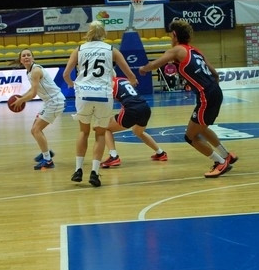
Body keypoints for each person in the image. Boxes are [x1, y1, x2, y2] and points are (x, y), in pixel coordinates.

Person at [138, 18, 238, 178]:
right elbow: (215, 74)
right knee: (202, 127)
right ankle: (227, 155)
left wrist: (143, 69)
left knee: (190, 136)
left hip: (206, 95)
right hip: (215, 91)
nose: (171, 39)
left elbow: (156, 64)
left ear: (175, 34)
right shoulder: (195, 51)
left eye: (171, 36)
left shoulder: (177, 50)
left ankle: (220, 163)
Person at [63, 20, 137, 187]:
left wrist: (71, 84)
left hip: (84, 95)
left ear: (88, 33)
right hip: (103, 95)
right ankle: (95, 172)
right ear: (104, 33)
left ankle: (78, 169)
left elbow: (66, 74)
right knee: (100, 133)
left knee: (83, 131)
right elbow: (128, 72)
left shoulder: (79, 49)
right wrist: (132, 80)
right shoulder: (111, 50)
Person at [9, 48, 66, 170]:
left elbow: (33, 94)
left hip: (55, 102)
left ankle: (48, 160)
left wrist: (21, 100)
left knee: (36, 130)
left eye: (28, 55)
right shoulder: (29, 71)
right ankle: (46, 152)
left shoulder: (36, 70)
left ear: (33, 58)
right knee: (34, 130)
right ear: (21, 60)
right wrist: (21, 96)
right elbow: (31, 90)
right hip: (49, 102)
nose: (26, 57)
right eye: (23, 55)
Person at [100, 75, 167, 168]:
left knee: (105, 127)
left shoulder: (109, 84)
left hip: (132, 109)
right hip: (145, 107)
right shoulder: (123, 79)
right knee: (138, 132)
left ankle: (113, 156)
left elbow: (107, 103)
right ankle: (160, 153)